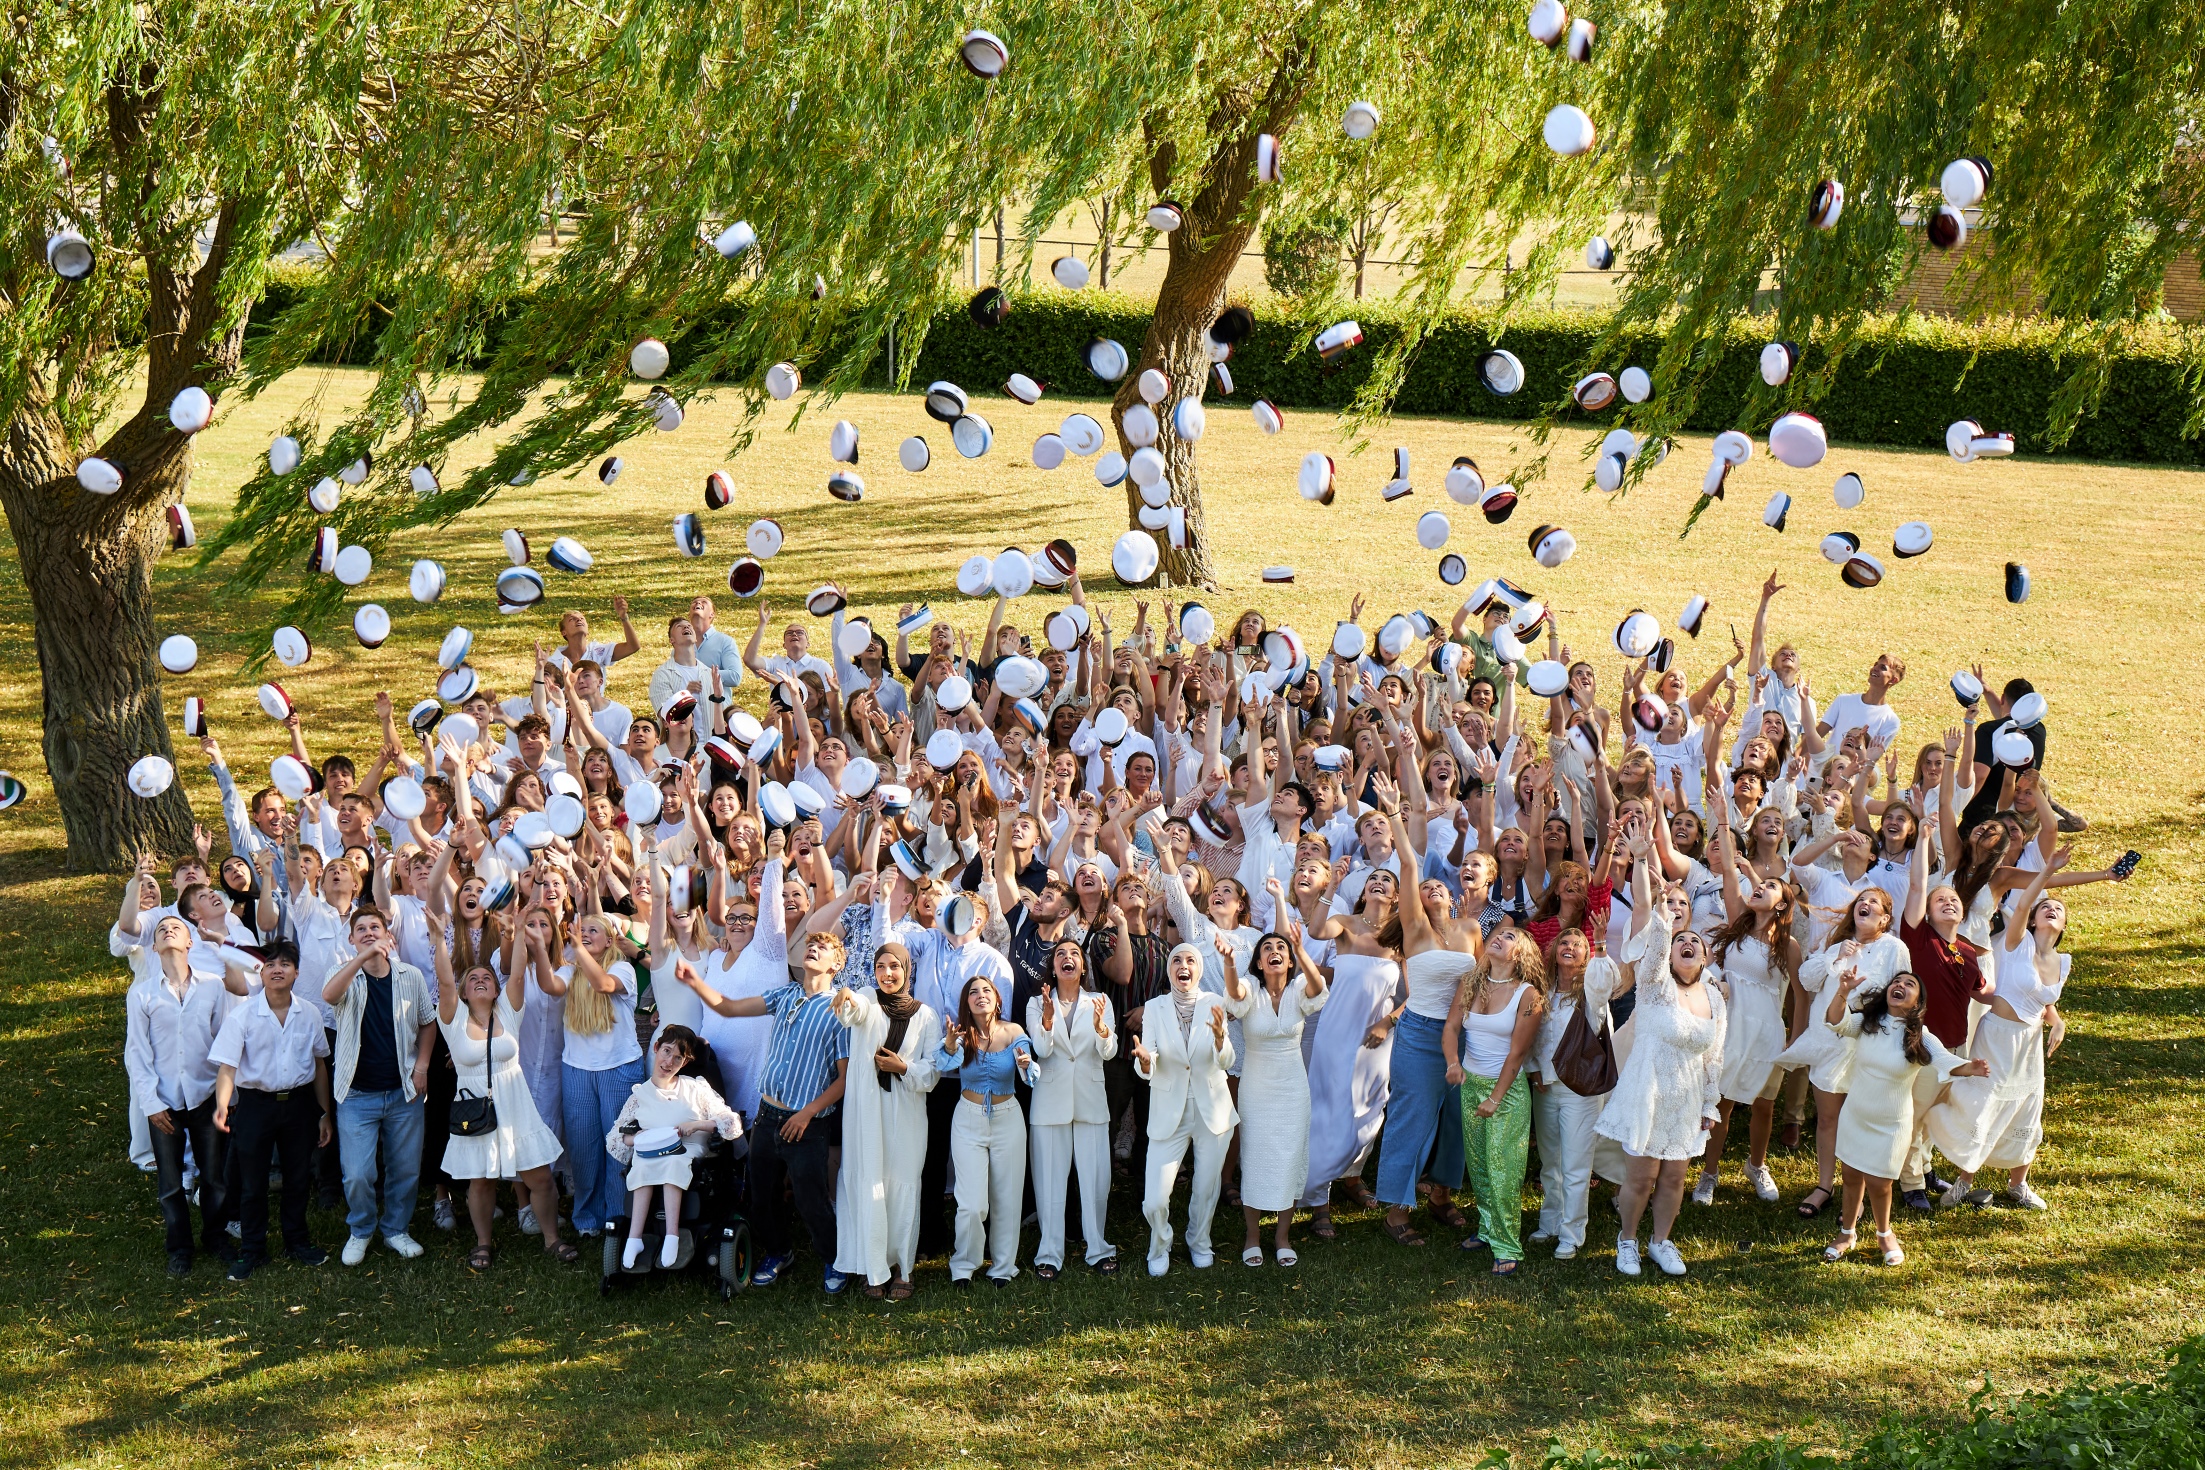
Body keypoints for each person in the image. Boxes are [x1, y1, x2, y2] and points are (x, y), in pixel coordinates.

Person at [679, 927, 853, 1291]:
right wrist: (696, 982)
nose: (814, 950)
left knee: (811, 1201)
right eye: (811, 945)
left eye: (823, 948)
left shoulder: (840, 1010)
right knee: (761, 1196)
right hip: (767, 1115)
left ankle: (835, 1260)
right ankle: (778, 1251)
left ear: (837, 963)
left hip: (808, 1124)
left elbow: (843, 1080)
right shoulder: (786, 994)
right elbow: (728, 1007)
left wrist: (806, 1114)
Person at [1592, 836, 1726, 1278]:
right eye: (1679, 941)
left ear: (1706, 957)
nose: (1687, 944)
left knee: (1673, 1179)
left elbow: (1714, 1057)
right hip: (1648, 1090)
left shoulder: (1714, 998)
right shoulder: (1653, 983)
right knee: (1642, 1178)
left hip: (1686, 1097)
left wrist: (1709, 1105)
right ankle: (1627, 1240)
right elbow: (1655, 935)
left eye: (1696, 943)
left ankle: (1661, 1242)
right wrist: (1645, 860)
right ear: (1670, 952)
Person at [1927, 852, 2071, 1210]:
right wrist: (2048, 872)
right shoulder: (2015, 942)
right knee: (1983, 1105)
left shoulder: (2062, 962)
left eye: (2058, 909)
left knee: (2028, 1107)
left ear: (2063, 924)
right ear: (2033, 920)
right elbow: (2021, 906)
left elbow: (2044, 1002)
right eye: (2044, 907)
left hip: (2029, 1045)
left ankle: (2018, 1185)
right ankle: (1964, 1181)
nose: (2050, 910)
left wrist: (2058, 1022)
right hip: (1997, 1036)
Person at [1366, 788, 1476, 1247]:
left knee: (1456, 1118)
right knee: (1412, 1117)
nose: (1430, 889)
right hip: (1419, 1036)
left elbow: (1480, 983)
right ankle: (1396, 1208)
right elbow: (1410, 866)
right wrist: (1394, 812)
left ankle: (1441, 1196)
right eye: (1424, 888)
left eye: (1438, 886)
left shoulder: (1472, 928)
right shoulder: (1413, 930)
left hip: (1466, 1037)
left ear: (1450, 894)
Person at [1820, 969, 1987, 1266]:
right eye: (1896, 981)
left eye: (1909, 984)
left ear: (1917, 1002)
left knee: (1880, 1184)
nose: (1899, 985)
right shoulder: (1869, 1023)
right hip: (1855, 1115)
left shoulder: (1920, 1037)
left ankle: (1884, 1234)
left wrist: (1969, 1068)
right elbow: (1837, 1021)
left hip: (1891, 1124)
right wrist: (1843, 991)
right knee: (1850, 1177)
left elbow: (1945, 1061)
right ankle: (1847, 1233)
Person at [434, 928, 574, 1269]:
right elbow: (445, 982)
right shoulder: (452, 1020)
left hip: (516, 1105)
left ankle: (551, 1238)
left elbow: (518, 970)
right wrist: (438, 938)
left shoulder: (509, 1013)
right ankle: (483, 1243)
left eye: (487, 977)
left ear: (497, 988)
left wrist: (521, 921)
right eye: (473, 978)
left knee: (539, 1178)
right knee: (480, 1181)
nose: (480, 980)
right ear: (464, 992)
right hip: (475, 1107)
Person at [209, 941, 333, 1281]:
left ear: (296, 972)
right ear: (260, 972)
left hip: (299, 1105)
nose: (277, 969)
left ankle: (297, 1241)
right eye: (270, 964)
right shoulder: (243, 1015)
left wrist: (324, 1112)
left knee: (296, 1178)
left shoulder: (309, 1012)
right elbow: (228, 1068)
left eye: (285, 964)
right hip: (255, 1106)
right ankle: (252, 1250)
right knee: (252, 1183)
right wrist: (222, 1105)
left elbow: (320, 1064)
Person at [1782, 886, 1908, 1218]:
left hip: (1866, 1047)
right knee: (1827, 1119)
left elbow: (1903, 992)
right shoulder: (1838, 946)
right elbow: (1806, 981)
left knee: (1860, 1122)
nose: (1865, 905)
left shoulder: (1894, 949)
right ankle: (1824, 1185)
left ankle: (1858, 1195)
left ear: (1885, 917)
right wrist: (1833, 958)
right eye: (1861, 901)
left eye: (1874, 903)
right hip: (1828, 1044)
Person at [321, 907, 437, 1265]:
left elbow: (427, 1022)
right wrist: (362, 959)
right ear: (351, 939)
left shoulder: (411, 976)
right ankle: (361, 1229)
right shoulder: (343, 976)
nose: (369, 932)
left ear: (390, 936)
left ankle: (395, 1229)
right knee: (358, 1174)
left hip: (403, 1092)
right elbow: (329, 995)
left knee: (405, 1169)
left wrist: (422, 1066)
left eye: (376, 927)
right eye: (361, 929)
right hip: (356, 1096)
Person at [829, 942, 943, 1299]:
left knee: (903, 1183)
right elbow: (853, 1011)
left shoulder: (926, 1016)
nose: (888, 974)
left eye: (895, 966)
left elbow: (933, 1072)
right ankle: (872, 1266)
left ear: (907, 971)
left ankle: (903, 1270)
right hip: (866, 1111)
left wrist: (902, 1066)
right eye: (881, 966)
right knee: (869, 1179)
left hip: (906, 1113)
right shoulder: (867, 997)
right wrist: (846, 994)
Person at [125, 914, 237, 1274]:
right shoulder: (141, 993)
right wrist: (151, 1103)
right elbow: (137, 1053)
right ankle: (179, 1247)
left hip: (206, 1096)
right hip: (165, 1101)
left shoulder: (212, 987)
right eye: (160, 931)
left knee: (213, 1174)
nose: (168, 931)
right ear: (154, 947)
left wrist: (225, 1097)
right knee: (171, 1181)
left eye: (176, 928)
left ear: (190, 943)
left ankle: (216, 1237)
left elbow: (223, 1044)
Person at [530, 906, 647, 1237]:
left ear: (610, 940)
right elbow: (550, 985)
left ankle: (617, 1216)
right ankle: (587, 1219)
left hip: (619, 1068)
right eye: (582, 932)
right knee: (583, 1147)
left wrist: (578, 949)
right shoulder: (571, 971)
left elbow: (604, 985)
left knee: (618, 1145)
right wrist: (539, 947)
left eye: (593, 931)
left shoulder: (622, 969)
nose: (585, 935)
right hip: (577, 1070)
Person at [1219, 919, 1328, 1266]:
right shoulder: (1250, 987)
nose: (1274, 951)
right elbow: (1234, 996)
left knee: (1290, 1159)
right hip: (1257, 1088)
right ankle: (1253, 1236)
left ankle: (1282, 1236)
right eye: (1267, 948)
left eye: (1280, 948)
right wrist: (1229, 964)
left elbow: (1317, 986)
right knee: (1254, 1159)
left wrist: (1300, 949)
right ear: (1259, 963)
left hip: (1294, 1088)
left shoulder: (1298, 989)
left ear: (1290, 960)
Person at [1443, 927, 1544, 1275]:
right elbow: (1452, 1028)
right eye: (1499, 934)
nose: (1500, 937)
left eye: (1511, 937)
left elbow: (1517, 1056)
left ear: (1521, 953)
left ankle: (1507, 1246)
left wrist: (1495, 1098)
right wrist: (1454, 1064)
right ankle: (1488, 1229)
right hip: (1471, 1085)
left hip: (1507, 1091)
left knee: (1504, 1171)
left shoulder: (1528, 996)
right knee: (1480, 1167)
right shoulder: (1473, 981)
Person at [1132, 944, 1237, 1276]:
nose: (1183, 965)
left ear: (1199, 969)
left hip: (1212, 1111)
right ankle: (1160, 1243)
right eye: (1177, 959)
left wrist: (1221, 1039)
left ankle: (1199, 1240)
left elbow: (1227, 1061)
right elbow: (1146, 1059)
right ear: (1169, 969)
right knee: (1155, 1200)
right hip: (1168, 1111)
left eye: (1190, 960)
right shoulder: (1154, 1008)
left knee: (1206, 1189)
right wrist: (1146, 1062)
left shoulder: (1215, 1004)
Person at [604, 1025, 742, 1270]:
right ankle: (634, 1238)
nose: (669, 1061)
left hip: (688, 1149)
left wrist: (698, 1123)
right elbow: (616, 1138)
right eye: (666, 1052)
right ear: (656, 1048)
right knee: (642, 1163)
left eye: (677, 1057)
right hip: (653, 1151)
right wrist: (637, 1138)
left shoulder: (695, 1088)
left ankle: (672, 1236)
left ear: (685, 1061)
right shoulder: (640, 1095)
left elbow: (730, 1121)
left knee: (673, 1160)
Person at [934, 974, 1038, 1286]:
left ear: (997, 998)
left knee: (1007, 1197)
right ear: (966, 1002)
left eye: (986, 990)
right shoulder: (961, 1035)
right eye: (973, 992)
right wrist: (950, 1043)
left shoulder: (1014, 1031)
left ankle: (1003, 1267)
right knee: (971, 1202)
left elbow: (1030, 1071)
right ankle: (964, 1264)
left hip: (1008, 1118)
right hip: (968, 1119)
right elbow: (942, 1063)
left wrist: (1025, 1063)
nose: (981, 995)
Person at [1025, 940, 1121, 1279]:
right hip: (1050, 1103)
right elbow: (1041, 1050)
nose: (1068, 959)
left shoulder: (1101, 1001)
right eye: (1061, 955)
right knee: (1049, 1180)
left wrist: (1101, 1029)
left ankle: (1099, 1249)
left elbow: (1109, 1052)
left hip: (1090, 1100)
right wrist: (1048, 1022)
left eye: (1074, 955)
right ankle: (1050, 1253)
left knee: (1096, 1179)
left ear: (1083, 967)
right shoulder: (1037, 1003)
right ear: (1053, 967)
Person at [1528, 930, 1612, 1260]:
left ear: (1586, 957)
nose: (1570, 947)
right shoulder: (1543, 992)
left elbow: (1605, 981)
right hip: (1545, 1087)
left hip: (1580, 1090)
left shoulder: (1591, 995)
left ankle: (1571, 1233)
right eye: (1564, 942)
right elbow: (1533, 1037)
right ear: (1554, 951)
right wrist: (1533, 1069)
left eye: (1578, 945)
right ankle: (1550, 1222)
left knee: (1576, 1165)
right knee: (1551, 1162)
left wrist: (1602, 943)